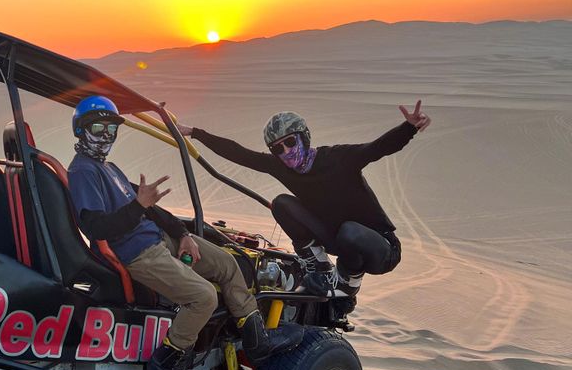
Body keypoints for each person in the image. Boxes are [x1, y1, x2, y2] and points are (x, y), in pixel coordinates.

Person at [67, 96, 303, 370]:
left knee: (228, 263)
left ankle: (256, 339)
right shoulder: (83, 171)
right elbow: (96, 227)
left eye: (112, 129)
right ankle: (168, 361)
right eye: (99, 128)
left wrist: (182, 234)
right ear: (81, 130)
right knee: (203, 297)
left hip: (160, 239)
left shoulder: (108, 168)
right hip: (138, 254)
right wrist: (139, 206)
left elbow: (151, 211)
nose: (107, 136)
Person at [177, 101, 431, 300]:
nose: (286, 152)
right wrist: (195, 133)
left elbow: (377, 148)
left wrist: (408, 128)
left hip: (379, 248)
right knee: (282, 204)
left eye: (290, 142)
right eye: (277, 148)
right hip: (337, 239)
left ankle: (348, 284)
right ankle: (318, 266)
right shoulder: (280, 166)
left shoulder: (338, 158)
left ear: (304, 137)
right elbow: (240, 154)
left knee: (350, 231)